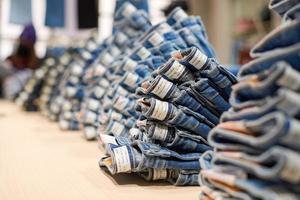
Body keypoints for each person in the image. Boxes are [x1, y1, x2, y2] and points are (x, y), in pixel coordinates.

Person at [0, 24, 39, 99]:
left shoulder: (33, 60)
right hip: (9, 79)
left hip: (17, 85)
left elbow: (31, 67)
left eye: (26, 40)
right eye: (23, 39)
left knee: (13, 82)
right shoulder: (14, 55)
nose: (24, 42)